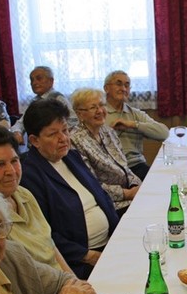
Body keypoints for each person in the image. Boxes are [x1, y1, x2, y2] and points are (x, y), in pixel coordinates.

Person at [20, 98, 120, 279]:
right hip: (80, 261)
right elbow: (44, 234)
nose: (63, 139)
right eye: (53, 134)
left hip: (110, 244)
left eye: (65, 130)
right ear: (34, 140)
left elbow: (102, 196)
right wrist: (88, 256)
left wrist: (118, 234)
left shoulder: (71, 157)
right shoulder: (30, 175)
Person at [0, 125, 73, 273]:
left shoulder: (23, 194)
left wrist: (74, 279)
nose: (11, 171)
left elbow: (50, 246)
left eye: (14, 161)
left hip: (63, 279)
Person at [70, 88, 141, 215]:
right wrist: (127, 194)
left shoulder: (108, 131)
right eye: (93, 107)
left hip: (129, 193)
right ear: (80, 114)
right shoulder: (75, 140)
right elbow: (91, 183)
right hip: (109, 203)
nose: (100, 111)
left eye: (102, 105)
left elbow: (125, 167)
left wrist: (135, 185)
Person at [103, 70, 169, 180]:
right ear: (106, 88)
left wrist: (133, 124)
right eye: (118, 84)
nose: (123, 89)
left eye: (127, 85)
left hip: (136, 165)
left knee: (163, 182)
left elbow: (164, 133)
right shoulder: (99, 113)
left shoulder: (135, 113)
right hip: (110, 167)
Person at [11, 66, 78, 140]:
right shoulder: (35, 101)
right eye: (32, 80)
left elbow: (74, 120)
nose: (34, 83)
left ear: (51, 81)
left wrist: (55, 132)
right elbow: (22, 122)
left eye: (39, 78)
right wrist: (17, 131)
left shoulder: (57, 98)